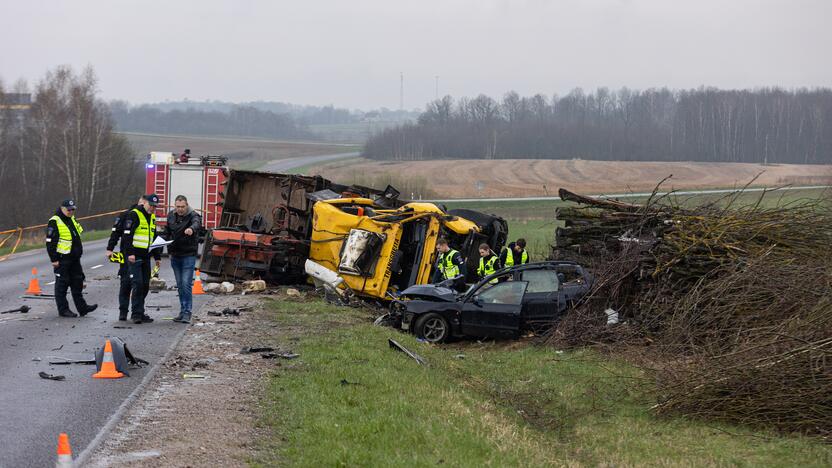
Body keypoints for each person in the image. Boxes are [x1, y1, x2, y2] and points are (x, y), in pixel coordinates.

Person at [45, 199, 97, 318]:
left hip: (74, 258)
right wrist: (54, 259)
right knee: (62, 285)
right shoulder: (54, 221)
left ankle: (82, 308)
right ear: (62, 208)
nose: (71, 211)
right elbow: (50, 242)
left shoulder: (72, 219)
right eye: (68, 209)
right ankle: (63, 310)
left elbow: (76, 235)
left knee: (77, 283)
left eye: (73, 209)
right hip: (62, 259)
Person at [122, 194, 162, 324]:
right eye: (151, 205)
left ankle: (140, 311)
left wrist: (157, 257)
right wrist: (130, 253)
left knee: (145, 285)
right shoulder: (134, 214)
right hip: (135, 256)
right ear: (145, 203)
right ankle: (136, 314)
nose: (152, 208)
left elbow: (154, 237)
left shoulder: (152, 217)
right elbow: (127, 236)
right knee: (137, 284)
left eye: (155, 207)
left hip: (146, 257)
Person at [164, 195, 202, 324]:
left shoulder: (193, 215)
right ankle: (182, 310)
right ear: (175, 206)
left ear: (187, 205)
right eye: (178, 206)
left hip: (188, 255)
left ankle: (187, 312)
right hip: (175, 255)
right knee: (180, 285)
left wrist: (191, 229)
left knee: (186, 284)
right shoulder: (170, 216)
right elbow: (167, 232)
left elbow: (197, 224)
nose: (180, 209)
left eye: (182, 207)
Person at [106, 197, 143, 321]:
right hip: (126, 254)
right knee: (125, 283)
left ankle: (138, 312)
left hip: (142, 256)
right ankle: (123, 311)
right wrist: (110, 248)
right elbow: (115, 232)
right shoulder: (125, 215)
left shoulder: (148, 216)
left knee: (140, 285)